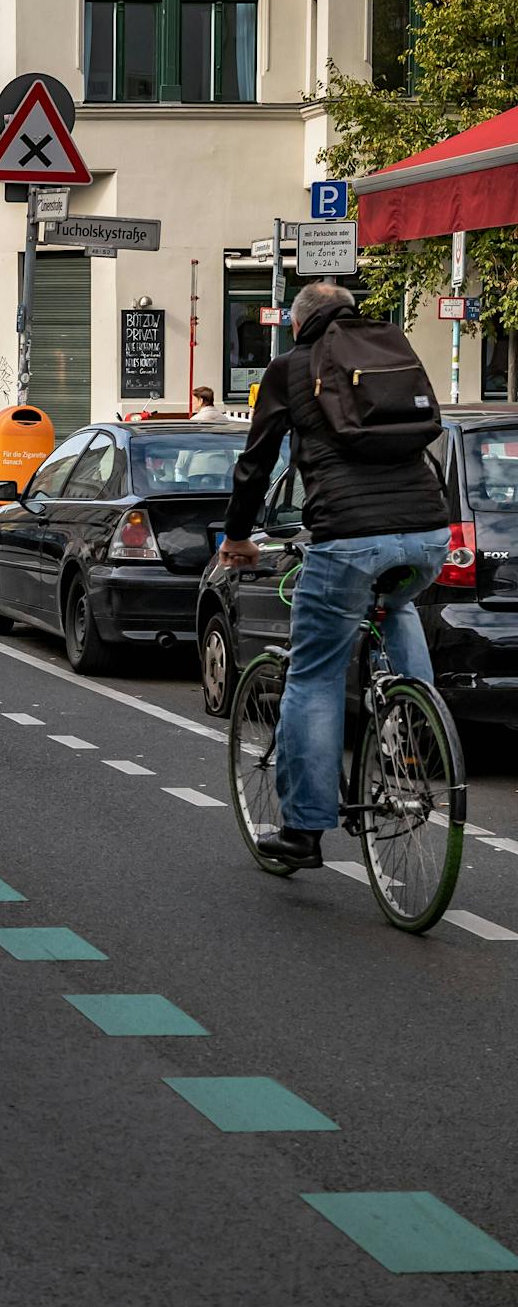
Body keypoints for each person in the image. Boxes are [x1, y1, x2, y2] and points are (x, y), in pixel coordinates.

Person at [219, 282, 449, 869]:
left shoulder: (291, 367)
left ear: (298, 325)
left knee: (314, 677)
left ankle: (303, 829)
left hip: (346, 536)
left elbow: (256, 462)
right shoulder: (391, 345)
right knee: (397, 603)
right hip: (428, 530)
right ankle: (417, 724)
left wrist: (238, 536)